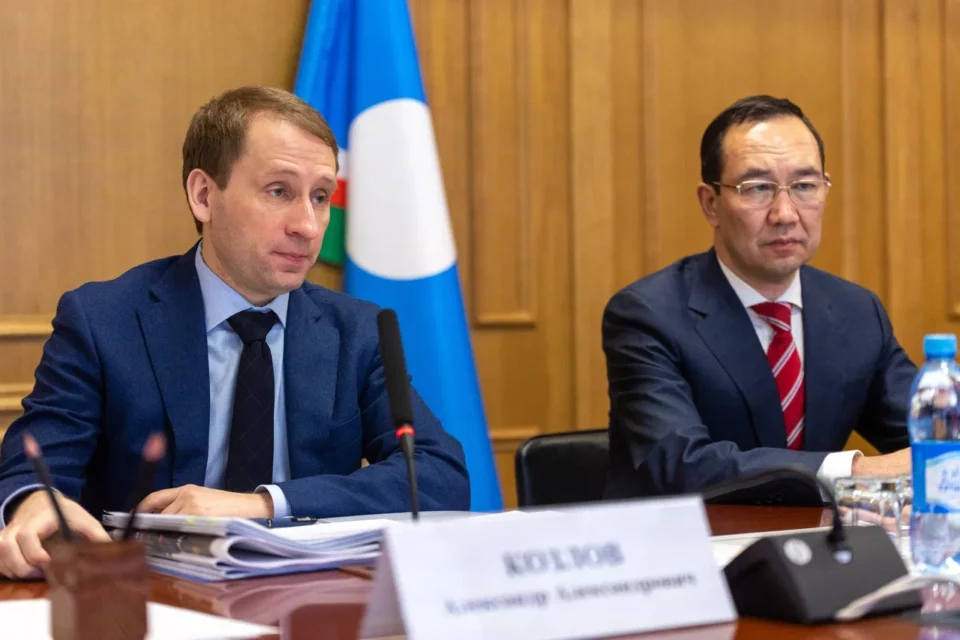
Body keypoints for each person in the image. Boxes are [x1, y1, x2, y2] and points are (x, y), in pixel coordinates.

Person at [0, 86, 470, 579]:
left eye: (320, 197)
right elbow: (34, 470)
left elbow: (437, 475)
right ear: (204, 196)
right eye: (279, 191)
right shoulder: (104, 320)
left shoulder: (355, 332)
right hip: (148, 595)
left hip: (312, 597)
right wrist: (37, 501)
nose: (309, 226)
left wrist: (262, 504)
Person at [603, 95, 916, 505]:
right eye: (758, 189)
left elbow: (935, 429)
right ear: (711, 204)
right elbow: (684, 466)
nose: (785, 213)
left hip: (819, 539)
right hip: (690, 539)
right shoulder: (648, 314)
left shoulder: (856, 311)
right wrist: (856, 473)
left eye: (804, 186)